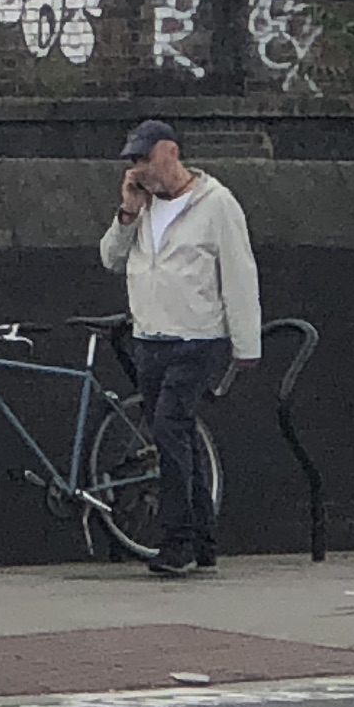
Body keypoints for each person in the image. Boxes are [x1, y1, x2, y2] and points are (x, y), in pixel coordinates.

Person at [101, 116, 262, 576]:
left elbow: (239, 273)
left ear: (170, 153)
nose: (139, 170)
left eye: (145, 159)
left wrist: (245, 342)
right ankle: (203, 538)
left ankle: (177, 541)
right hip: (149, 338)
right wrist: (127, 213)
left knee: (169, 428)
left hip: (197, 339)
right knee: (176, 435)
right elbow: (111, 259)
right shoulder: (143, 207)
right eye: (132, 162)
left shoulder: (216, 205)